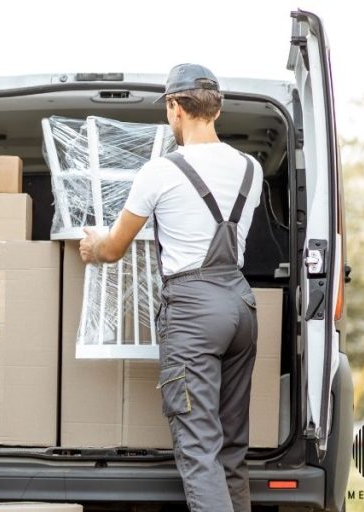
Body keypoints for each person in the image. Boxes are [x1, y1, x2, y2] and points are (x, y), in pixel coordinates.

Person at [79, 64, 261, 512]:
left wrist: (92, 247)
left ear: (175, 107)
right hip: (240, 305)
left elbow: (115, 247)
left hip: (194, 310)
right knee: (231, 449)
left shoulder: (159, 172)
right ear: (216, 109)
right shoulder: (251, 169)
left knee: (199, 449)